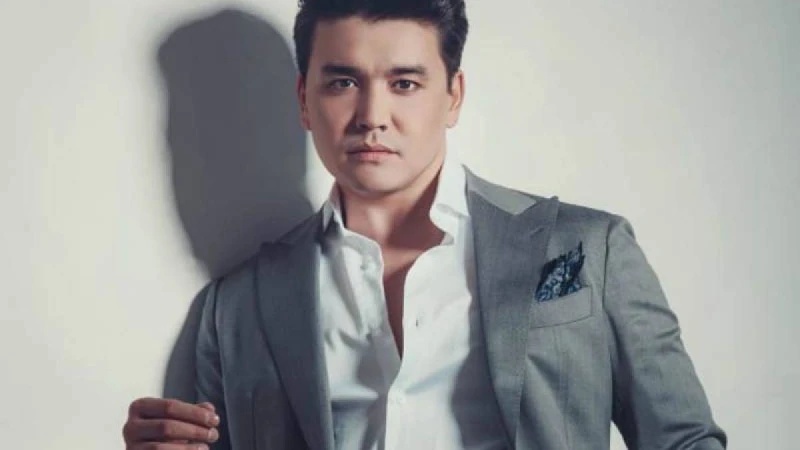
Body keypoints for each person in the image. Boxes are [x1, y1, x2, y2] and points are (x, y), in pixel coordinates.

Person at [123, 1, 727, 449]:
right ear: (305, 100)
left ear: (453, 96)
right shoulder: (238, 307)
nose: (372, 116)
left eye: (404, 83)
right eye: (343, 82)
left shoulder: (590, 249)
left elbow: (684, 442)